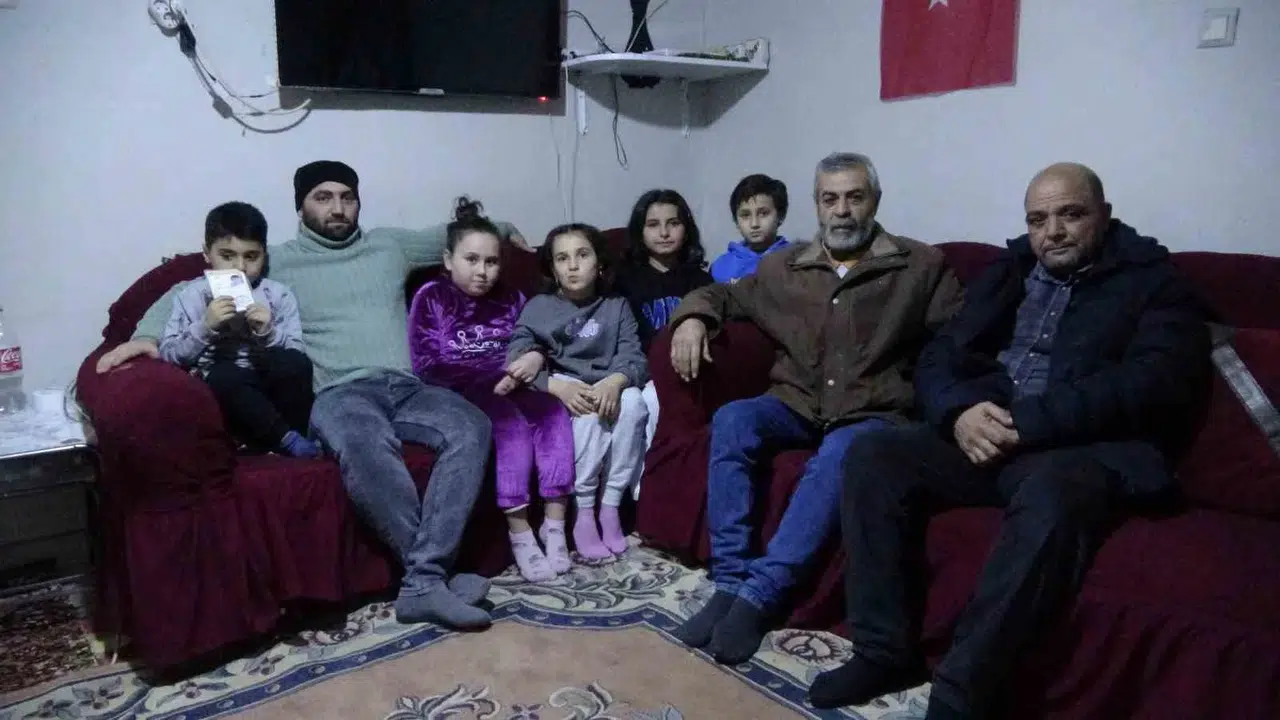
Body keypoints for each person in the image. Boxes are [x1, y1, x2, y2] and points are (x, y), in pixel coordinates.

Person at [807, 163, 1211, 719]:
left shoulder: (1154, 281)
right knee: (875, 454)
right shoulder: (1012, 269)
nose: (1053, 232)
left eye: (1071, 215)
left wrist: (1032, 422)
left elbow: (1153, 382)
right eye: (1038, 220)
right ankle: (882, 651)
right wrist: (959, 413)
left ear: (1104, 215)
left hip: (1078, 447)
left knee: (1052, 495)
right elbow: (941, 353)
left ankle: (960, 692)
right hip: (990, 431)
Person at [99, 161, 530, 630]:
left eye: (347, 197)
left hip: (407, 386)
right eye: (323, 197)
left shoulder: (388, 246)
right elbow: (186, 285)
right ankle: (431, 580)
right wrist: (145, 336)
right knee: (366, 447)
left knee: (473, 426)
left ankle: (423, 580)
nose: (337, 207)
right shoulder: (275, 259)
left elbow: (455, 236)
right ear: (300, 206)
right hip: (339, 393)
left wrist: (505, 227)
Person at [668, 152, 964, 665]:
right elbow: (721, 295)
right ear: (816, 205)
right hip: (797, 402)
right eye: (831, 199)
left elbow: (960, 340)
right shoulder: (785, 267)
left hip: (870, 411)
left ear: (875, 201)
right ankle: (730, 580)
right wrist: (693, 319)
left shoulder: (920, 267)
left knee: (842, 453)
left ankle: (760, 596)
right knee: (734, 420)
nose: (842, 211)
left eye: (855, 197)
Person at [408, 197, 575, 583]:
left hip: (516, 381)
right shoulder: (431, 296)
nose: (482, 271)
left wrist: (533, 358)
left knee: (553, 413)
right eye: (471, 260)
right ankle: (520, 532)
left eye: (491, 261)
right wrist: (489, 380)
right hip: (463, 391)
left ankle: (555, 526)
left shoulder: (512, 298)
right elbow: (427, 365)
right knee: (508, 427)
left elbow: (534, 341)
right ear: (448, 260)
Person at [507, 223, 649, 561]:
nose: (573, 265)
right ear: (553, 269)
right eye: (562, 258)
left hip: (608, 384)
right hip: (565, 387)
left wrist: (616, 381)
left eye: (582, 255)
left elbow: (634, 356)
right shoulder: (539, 307)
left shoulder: (616, 305)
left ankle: (610, 506)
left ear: (599, 264)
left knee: (635, 402)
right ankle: (583, 513)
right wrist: (555, 386)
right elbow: (516, 357)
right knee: (588, 416)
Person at [158, 201, 319, 458]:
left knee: (294, 363)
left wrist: (268, 333)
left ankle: (285, 436)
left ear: (264, 255)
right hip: (225, 388)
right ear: (207, 254)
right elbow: (169, 355)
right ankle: (286, 441)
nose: (240, 268)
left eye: (251, 257)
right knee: (223, 376)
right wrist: (206, 327)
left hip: (268, 384)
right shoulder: (191, 296)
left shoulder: (277, 294)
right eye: (227, 256)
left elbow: (297, 351)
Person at [709, 173, 792, 283]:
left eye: (763, 213)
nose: (754, 224)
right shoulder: (720, 268)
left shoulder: (794, 261)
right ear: (736, 221)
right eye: (745, 215)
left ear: (781, 216)